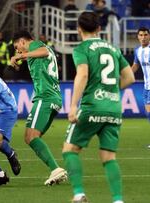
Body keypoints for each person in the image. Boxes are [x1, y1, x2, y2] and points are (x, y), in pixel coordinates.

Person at [62, 12, 135, 203]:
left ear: (79, 29)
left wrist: (72, 105)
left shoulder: (81, 49)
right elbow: (130, 78)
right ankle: (118, 200)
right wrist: (110, 90)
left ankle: (78, 194)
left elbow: (83, 75)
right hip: (113, 108)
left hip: (91, 106)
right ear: (99, 29)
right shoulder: (113, 49)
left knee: (70, 149)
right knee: (109, 156)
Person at [10, 30, 67, 186]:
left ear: (23, 41)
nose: (17, 50)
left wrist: (21, 56)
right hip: (53, 98)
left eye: (17, 47)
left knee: (31, 136)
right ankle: (56, 170)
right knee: (31, 137)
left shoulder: (35, 45)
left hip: (46, 98)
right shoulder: (33, 55)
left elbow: (44, 50)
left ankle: (56, 169)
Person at [131, 27, 150, 148]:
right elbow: (135, 66)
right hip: (146, 87)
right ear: (138, 37)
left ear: (149, 36)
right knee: (148, 114)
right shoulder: (137, 50)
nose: (143, 37)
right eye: (141, 35)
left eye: (145, 35)